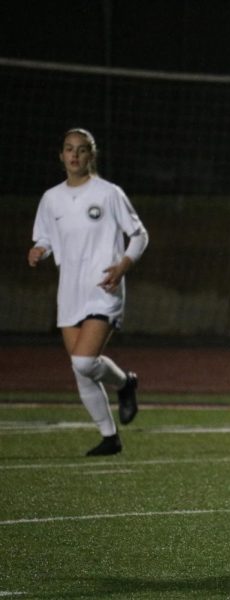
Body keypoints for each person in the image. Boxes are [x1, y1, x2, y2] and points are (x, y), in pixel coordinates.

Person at [28, 128, 149, 456]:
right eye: (69, 149)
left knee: (83, 361)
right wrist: (40, 250)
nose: (74, 155)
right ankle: (110, 437)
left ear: (91, 156)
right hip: (70, 291)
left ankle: (125, 383)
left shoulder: (109, 193)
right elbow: (47, 238)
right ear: (61, 155)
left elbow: (139, 235)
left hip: (104, 287)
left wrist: (123, 265)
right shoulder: (51, 198)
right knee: (79, 366)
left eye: (81, 150)